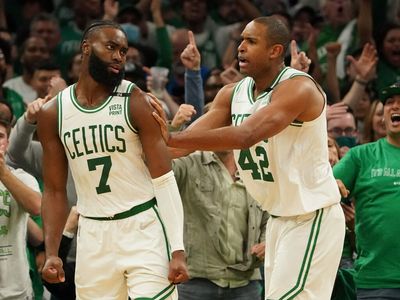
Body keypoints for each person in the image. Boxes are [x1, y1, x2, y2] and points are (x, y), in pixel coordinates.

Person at [151, 15, 345, 299]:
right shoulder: (232, 93)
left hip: (311, 215)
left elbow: (246, 135)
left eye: (251, 41)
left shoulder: (298, 87)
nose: (240, 47)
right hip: (280, 218)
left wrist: (169, 137)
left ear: (275, 51)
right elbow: (181, 147)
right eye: (241, 39)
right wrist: (141, 142)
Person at [37, 20, 188, 299]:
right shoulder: (52, 113)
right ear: (86, 48)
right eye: (111, 47)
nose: (119, 56)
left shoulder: (135, 100)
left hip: (143, 226)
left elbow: (164, 180)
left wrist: (177, 249)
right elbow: (55, 191)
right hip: (93, 234)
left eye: (123, 50)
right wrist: (52, 252)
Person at [333, 82, 400, 299]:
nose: (394, 107)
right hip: (376, 281)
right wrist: (329, 185)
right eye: (389, 102)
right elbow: (318, 188)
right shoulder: (360, 157)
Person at [0, 118, 42, 300]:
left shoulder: (22, 178)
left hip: (16, 290)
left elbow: (36, 207)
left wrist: (2, 173)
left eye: (0, 136)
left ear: (7, 143)